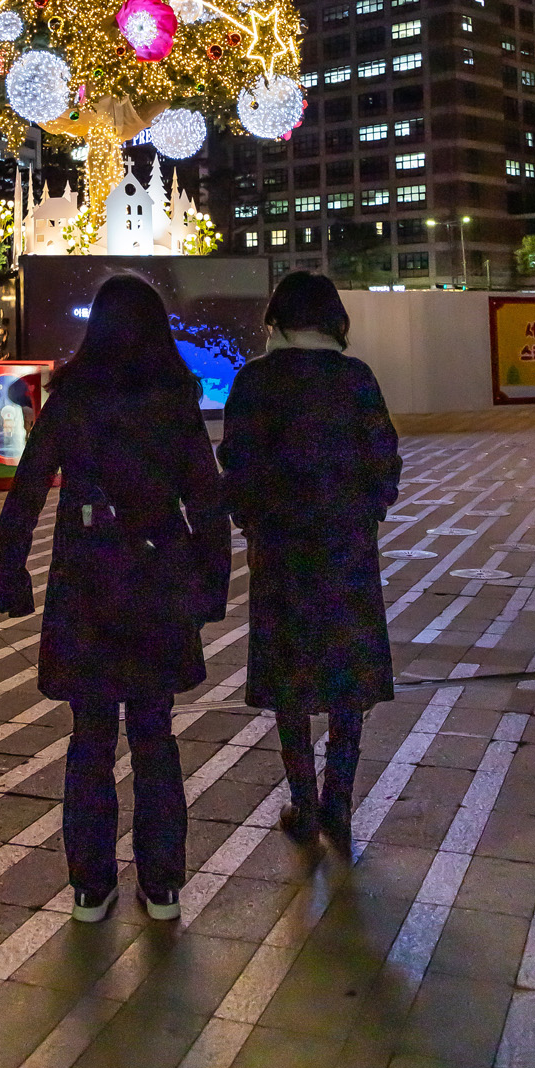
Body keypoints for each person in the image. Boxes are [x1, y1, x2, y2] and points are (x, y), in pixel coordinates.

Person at [0, 275, 231, 923]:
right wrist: (212, 586)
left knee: (90, 735)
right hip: (156, 580)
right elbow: (205, 497)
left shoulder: (72, 394)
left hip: (86, 582)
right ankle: (162, 885)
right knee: (154, 732)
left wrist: (10, 573)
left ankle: (91, 888)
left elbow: (30, 485)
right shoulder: (174, 394)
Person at [218, 271, 401, 855]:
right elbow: (385, 457)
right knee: (349, 676)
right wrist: (367, 512)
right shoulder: (356, 378)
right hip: (347, 549)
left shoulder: (255, 380)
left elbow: (236, 464)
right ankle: (339, 802)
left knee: (290, 675)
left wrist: (250, 519)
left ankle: (302, 798)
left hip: (280, 552)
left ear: (277, 317)